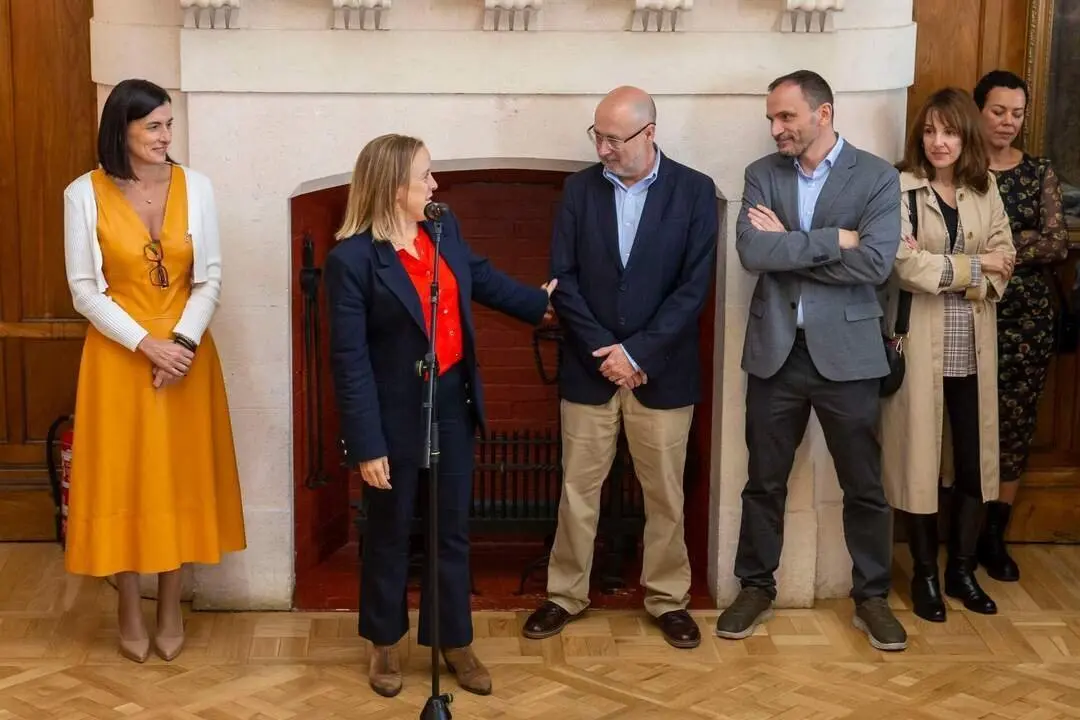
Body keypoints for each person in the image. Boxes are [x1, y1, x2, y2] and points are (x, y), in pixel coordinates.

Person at [325, 133, 556, 698]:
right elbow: (348, 362)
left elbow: (485, 279)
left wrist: (543, 303)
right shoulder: (351, 260)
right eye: (424, 176)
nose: (435, 186)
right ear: (392, 187)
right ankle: (384, 643)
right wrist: (367, 445)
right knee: (389, 531)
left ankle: (453, 639)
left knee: (450, 531)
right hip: (392, 416)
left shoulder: (442, 233)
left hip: (452, 405)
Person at [520, 86, 718, 650]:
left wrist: (637, 354)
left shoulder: (696, 191)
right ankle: (564, 595)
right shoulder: (578, 190)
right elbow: (565, 277)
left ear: (649, 132)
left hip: (663, 374)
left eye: (614, 138)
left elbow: (693, 288)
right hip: (591, 370)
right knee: (577, 492)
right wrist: (608, 351)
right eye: (598, 136)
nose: (603, 148)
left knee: (665, 498)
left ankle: (667, 599)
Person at [720, 70, 907, 651]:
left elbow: (875, 265)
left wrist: (792, 244)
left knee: (865, 485)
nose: (776, 128)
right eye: (772, 118)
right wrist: (834, 239)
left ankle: (871, 597)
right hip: (777, 352)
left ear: (822, 114)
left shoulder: (876, 177)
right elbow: (753, 252)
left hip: (850, 356)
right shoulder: (760, 175)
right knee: (763, 482)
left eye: (786, 117)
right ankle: (756, 587)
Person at [62, 78, 246, 663]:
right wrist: (147, 345)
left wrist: (181, 343)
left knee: (179, 477)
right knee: (124, 478)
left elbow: (210, 276)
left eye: (169, 125)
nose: (167, 137)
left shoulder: (198, 187)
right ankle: (126, 605)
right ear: (122, 130)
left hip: (187, 354)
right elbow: (84, 291)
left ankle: (171, 602)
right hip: (119, 357)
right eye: (154, 127)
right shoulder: (82, 194)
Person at [882, 87, 1015, 623]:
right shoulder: (900, 188)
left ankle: (961, 569)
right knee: (919, 461)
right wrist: (974, 267)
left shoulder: (985, 189)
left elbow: (1007, 254)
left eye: (951, 132)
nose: (939, 142)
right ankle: (925, 575)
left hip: (974, 347)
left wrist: (951, 267)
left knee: (972, 463)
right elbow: (906, 268)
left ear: (966, 137)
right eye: (931, 131)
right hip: (922, 346)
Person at [973, 70, 1069, 582]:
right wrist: (997, 253)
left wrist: (995, 253)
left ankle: (995, 533)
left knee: (1013, 428)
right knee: (963, 423)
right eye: (998, 111)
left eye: (1017, 112)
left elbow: (1056, 242)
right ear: (978, 111)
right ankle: (961, 535)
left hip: (1025, 321)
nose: (1008, 122)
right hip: (966, 311)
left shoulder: (1038, 173)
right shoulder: (960, 169)